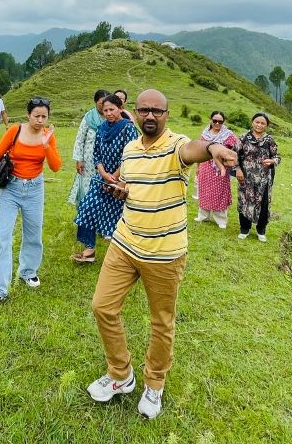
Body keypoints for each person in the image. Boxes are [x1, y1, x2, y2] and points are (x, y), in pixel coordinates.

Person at [87, 89, 237, 420]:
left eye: (157, 111)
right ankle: (120, 374)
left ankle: (154, 383)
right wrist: (122, 190)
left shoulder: (175, 144)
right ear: (135, 112)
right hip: (125, 243)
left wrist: (213, 147)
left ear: (167, 115)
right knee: (102, 306)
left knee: (161, 321)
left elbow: (193, 149)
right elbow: (131, 185)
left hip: (165, 254)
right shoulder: (130, 149)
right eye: (144, 110)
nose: (151, 116)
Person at [0, 97, 61, 305]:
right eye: (36, 116)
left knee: (33, 233)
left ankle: (28, 271)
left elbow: (56, 167)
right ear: (28, 114)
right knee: (3, 238)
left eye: (44, 116)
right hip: (11, 188)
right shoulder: (15, 130)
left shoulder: (48, 136)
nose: (40, 120)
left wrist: (46, 145)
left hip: (35, 189)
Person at [72, 94, 139, 263]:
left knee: (119, 217)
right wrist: (103, 174)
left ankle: (125, 255)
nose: (108, 113)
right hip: (101, 179)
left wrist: (114, 177)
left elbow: (130, 156)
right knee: (87, 207)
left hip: (121, 180)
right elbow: (96, 154)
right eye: (105, 110)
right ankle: (89, 250)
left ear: (120, 109)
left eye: (112, 109)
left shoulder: (128, 128)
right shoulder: (101, 128)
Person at [233, 112, 281, 242]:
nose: (259, 125)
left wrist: (272, 161)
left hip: (264, 179)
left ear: (266, 126)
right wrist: (237, 169)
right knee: (245, 201)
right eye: (257, 122)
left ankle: (261, 231)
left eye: (262, 123)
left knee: (263, 204)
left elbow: (277, 157)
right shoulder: (243, 138)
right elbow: (234, 155)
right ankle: (244, 229)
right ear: (252, 122)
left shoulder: (269, 140)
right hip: (245, 178)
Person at [194, 111, 239, 229]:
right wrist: (198, 167)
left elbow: (237, 148)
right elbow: (199, 150)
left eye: (220, 121)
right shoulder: (205, 134)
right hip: (205, 165)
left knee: (219, 192)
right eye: (215, 121)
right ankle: (203, 216)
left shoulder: (228, 135)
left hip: (220, 168)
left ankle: (221, 219)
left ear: (223, 122)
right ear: (210, 120)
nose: (217, 123)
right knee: (204, 190)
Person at [68, 89, 110, 210]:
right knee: (87, 186)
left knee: (103, 186)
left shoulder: (111, 117)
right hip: (88, 161)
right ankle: (85, 212)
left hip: (106, 160)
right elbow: (80, 139)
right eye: (101, 103)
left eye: (106, 103)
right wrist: (79, 159)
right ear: (95, 102)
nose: (103, 106)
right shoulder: (88, 118)